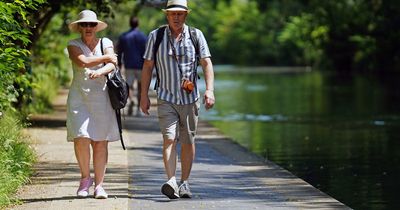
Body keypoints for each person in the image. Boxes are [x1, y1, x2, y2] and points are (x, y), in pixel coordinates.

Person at [140, 0, 215, 199]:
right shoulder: (155, 36)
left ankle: (185, 182)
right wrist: (143, 95)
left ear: (186, 15)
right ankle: (171, 180)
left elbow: (206, 62)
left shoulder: (196, 35)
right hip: (166, 97)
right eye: (172, 13)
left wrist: (210, 90)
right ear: (166, 15)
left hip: (190, 99)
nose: (176, 17)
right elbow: (148, 66)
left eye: (180, 14)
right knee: (169, 138)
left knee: (188, 141)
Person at [66, 9, 120, 199]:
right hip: (79, 98)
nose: (88, 27)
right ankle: (84, 179)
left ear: (96, 27)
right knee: (81, 138)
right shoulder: (73, 44)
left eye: (91, 24)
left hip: (102, 97)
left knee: (100, 142)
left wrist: (101, 71)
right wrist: (106, 58)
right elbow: (83, 62)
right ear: (79, 27)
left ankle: (99, 186)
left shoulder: (106, 43)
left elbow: (113, 65)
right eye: (84, 24)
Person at [117, 16, 147, 116]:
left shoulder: (124, 36)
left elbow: (119, 52)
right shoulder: (143, 37)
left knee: (128, 86)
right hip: (141, 66)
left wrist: (120, 65)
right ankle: (138, 110)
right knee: (140, 88)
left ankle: (131, 99)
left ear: (130, 24)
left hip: (129, 65)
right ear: (138, 24)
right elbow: (147, 53)